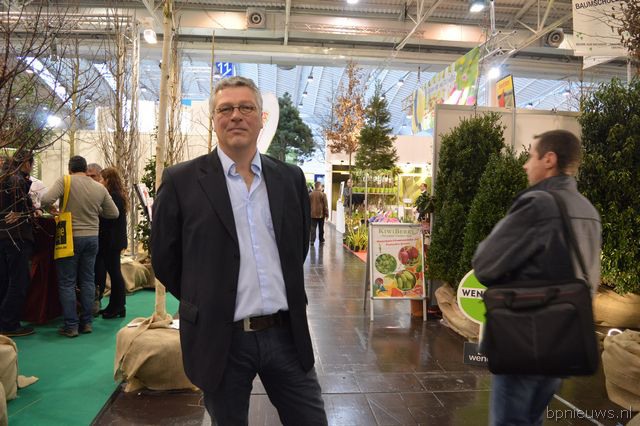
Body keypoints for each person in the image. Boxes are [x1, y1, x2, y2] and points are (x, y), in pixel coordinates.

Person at [151, 76, 327, 425]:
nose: (236, 116)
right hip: (221, 339)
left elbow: (296, 247)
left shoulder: (289, 178)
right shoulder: (181, 181)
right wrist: (204, 297)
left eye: (246, 107)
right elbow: (165, 258)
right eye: (225, 109)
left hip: (286, 335)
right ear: (214, 119)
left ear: (261, 118)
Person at [472, 130, 602, 426]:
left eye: (531, 156)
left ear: (549, 159)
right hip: (564, 338)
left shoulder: (538, 204)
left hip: (525, 335)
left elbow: (485, 264)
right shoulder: (588, 210)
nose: (525, 164)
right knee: (532, 419)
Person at [41, 156, 119, 337]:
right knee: (88, 280)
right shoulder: (99, 187)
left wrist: (52, 210)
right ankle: (87, 323)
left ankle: (71, 325)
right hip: (92, 238)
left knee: (67, 282)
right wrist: (96, 211)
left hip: (69, 237)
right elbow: (113, 213)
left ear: (70, 169)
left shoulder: (65, 181)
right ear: (85, 169)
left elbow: (45, 200)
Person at [0, 152, 37, 336]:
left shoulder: (4, 177)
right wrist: (27, 211)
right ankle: (9, 323)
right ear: (26, 163)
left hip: (4, 236)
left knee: (5, 280)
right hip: (17, 237)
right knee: (18, 281)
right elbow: (25, 209)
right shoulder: (17, 181)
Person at [95, 167, 128, 319]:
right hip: (115, 240)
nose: (100, 182)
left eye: (101, 179)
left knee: (115, 273)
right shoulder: (118, 195)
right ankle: (116, 305)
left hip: (112, 241)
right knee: (114, 273)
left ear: (108, 180)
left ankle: (118, 306)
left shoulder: (113, 197)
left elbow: (109, 218)